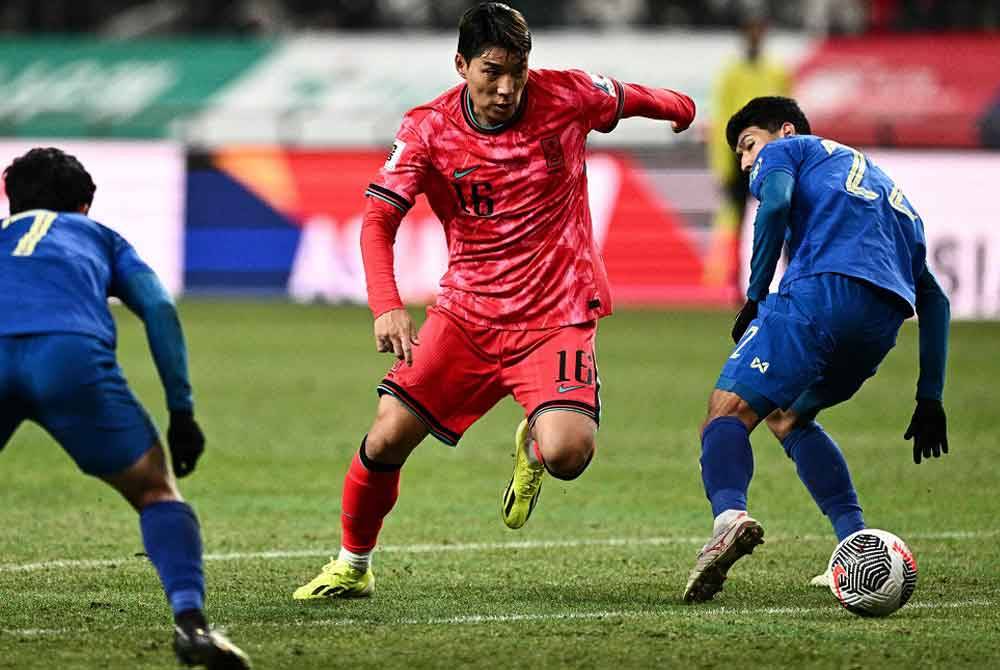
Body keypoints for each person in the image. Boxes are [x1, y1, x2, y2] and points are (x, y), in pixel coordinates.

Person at [293, 1, 695, 600]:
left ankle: (535, 440)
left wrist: (680, 108)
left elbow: (630, 96)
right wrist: (387, 304)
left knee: (568, 453)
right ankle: (354, 563)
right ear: (461, 65)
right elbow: (378, 219)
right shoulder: (426, 129)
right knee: (385, 437)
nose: (507, 88)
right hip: (467, 315)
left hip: (556, 313)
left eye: (518, 71)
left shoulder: (568, 94)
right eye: (492, 72)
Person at [683, 97, 950, 603]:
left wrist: (756, 293)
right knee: (788, 417)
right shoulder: (889, 191)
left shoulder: (791, 150)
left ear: (785, 131)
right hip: (879, 325)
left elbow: (777, 204)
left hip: (821, 295)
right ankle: (857, 547)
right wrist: (929, 395)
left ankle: (728, 519)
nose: (746, 163)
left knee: (727, 410)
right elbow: (934, 299)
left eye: (748, 146)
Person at [0, 148, 250, 669]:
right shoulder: (99, 236)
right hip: (68, 358)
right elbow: (158, 306)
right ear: (85, 204)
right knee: (156, 491)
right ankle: (191, 626)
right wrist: (181, 412)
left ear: (9, 199)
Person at [703, 15, 791, 291]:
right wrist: (721, 165)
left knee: (785, 214)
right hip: (741, 155)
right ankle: (739, 282)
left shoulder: (778, 71)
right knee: (739, 219)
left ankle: (790, 277)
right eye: (750, 31)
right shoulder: (731, 74)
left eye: (758, 31)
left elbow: (791, 116)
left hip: (776, 155)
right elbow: (720, 120)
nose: (754, 36)